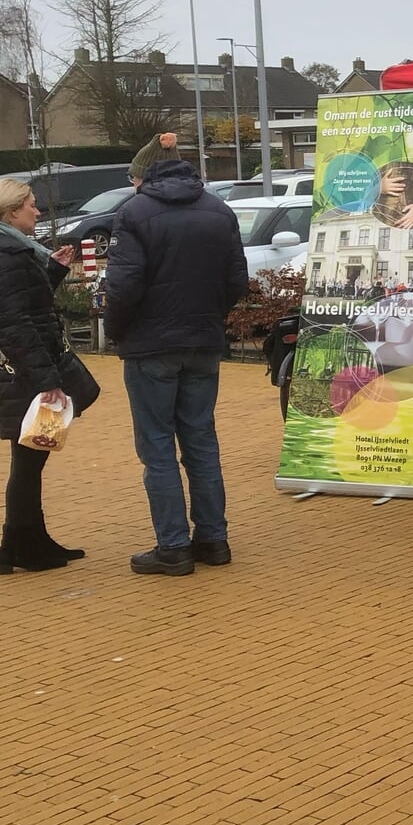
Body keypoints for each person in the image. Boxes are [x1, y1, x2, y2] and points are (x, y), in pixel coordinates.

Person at [105, 158, 249, 576]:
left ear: (145, 179)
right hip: (203, 341)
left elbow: (123, 285)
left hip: (151, 346)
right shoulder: (220, 210)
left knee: (157, 446)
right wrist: (210, 316)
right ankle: (213, 539)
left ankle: (173, 546)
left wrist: (118, 330)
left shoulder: (134, 212)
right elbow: (236, 279)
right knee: (201, 439)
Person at [0, 178, 97, 575]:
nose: (38, 212)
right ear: (12, 211)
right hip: (19, 375)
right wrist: (46, 379)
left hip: (17, 371)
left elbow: (28, 304)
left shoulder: (8, 251)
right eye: (33, 206)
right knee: (27, 463)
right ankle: (20, 546)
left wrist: (52, 271)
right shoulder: (4, 256)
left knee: (29, 461)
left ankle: (26, 542)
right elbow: (17, 324)